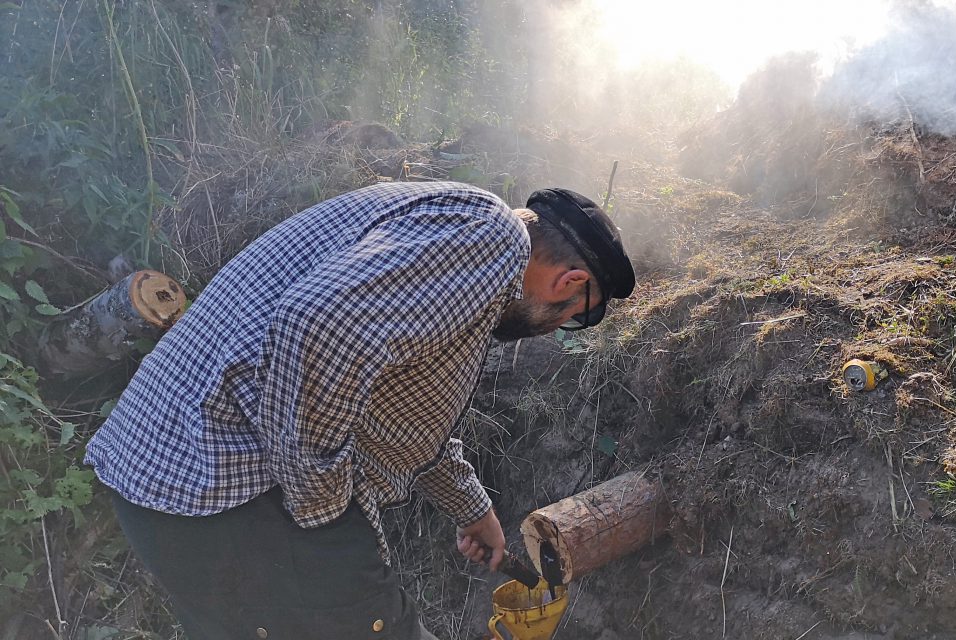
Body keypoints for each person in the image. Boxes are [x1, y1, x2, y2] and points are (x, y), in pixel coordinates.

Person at [85, 181, 635, 639]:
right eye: (574, 317)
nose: (558, 327)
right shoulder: (491, 238)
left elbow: (403, 417)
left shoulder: (439, 229)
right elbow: (316, 327)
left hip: (169, 484)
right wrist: (324, 512)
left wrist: (473, 510)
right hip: (232, 488)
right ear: (571, 282)